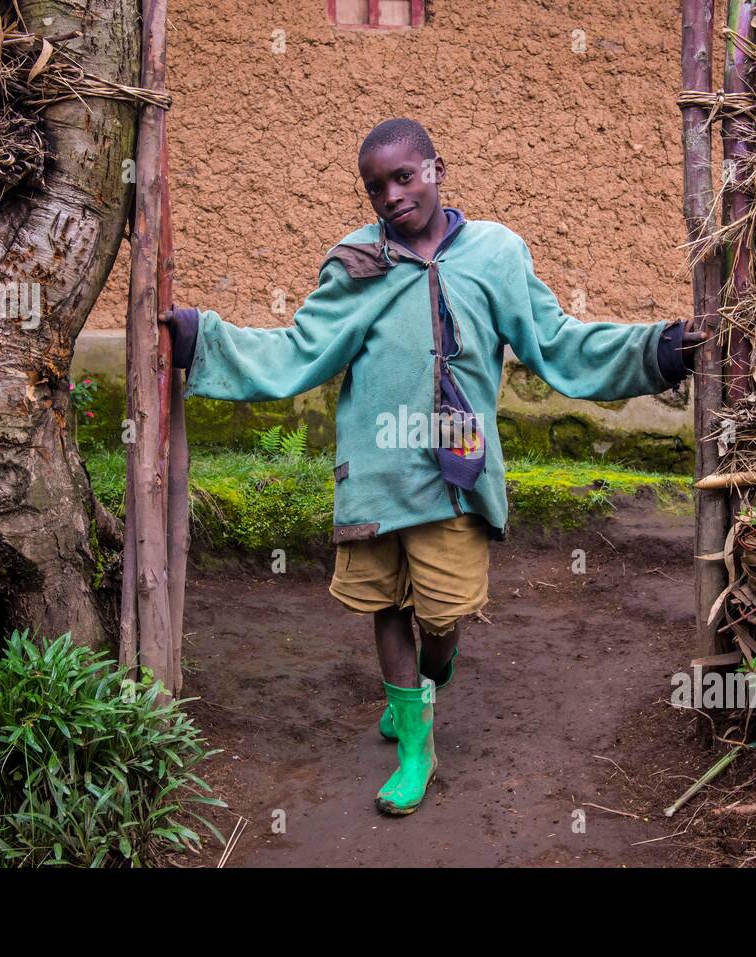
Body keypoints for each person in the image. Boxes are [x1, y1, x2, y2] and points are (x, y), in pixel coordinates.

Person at [162, 117, 702, 816]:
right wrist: (201, 338)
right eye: (375, 186)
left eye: (404, 176)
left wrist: (657, 349)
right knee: (384, 603)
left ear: (436, 169)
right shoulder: (356, 263)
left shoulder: (497, 254)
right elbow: (298, 350)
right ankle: (416, 744)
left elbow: (558, 342)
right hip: (378, 470)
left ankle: (431, 673)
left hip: (457, 473)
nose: (391, 194)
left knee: (444, 615)